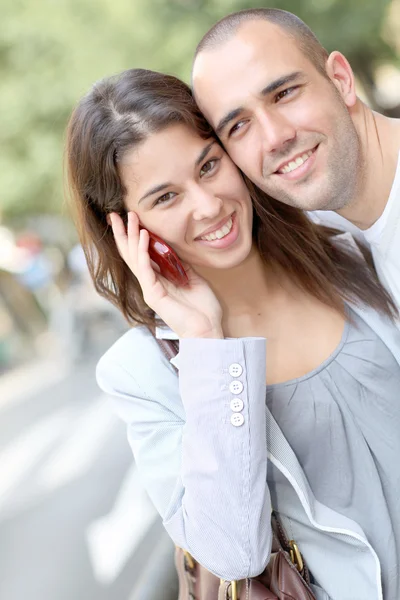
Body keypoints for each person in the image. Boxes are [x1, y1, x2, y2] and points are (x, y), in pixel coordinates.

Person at [65, 68, 400, 600]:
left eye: (209, 165)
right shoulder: (140, 373)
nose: (208, 205)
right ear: (124, 227)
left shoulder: (342, 245)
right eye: (165, 198)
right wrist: (204, 342)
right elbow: (234, 552)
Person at [192, 8, 400, 309]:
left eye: (284, 93)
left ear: (341, 80)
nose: (275, 137)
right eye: (238, 126)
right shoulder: (344, 229)